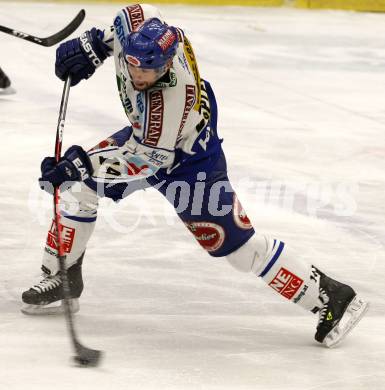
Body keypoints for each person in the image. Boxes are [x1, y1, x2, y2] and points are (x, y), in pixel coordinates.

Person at [21, 3, 368, 347]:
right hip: (152, 141)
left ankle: (331, 297)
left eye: (149, 71)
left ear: (167, 64)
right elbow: (131, 17)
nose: (138, 77)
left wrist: (81, 163)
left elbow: (146, 160)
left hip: (188, 159)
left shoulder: (170, 101)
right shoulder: (135, 27)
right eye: (133, 65)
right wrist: (94, 45)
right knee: (79, 187)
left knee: (238, 250)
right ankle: (62, 275)